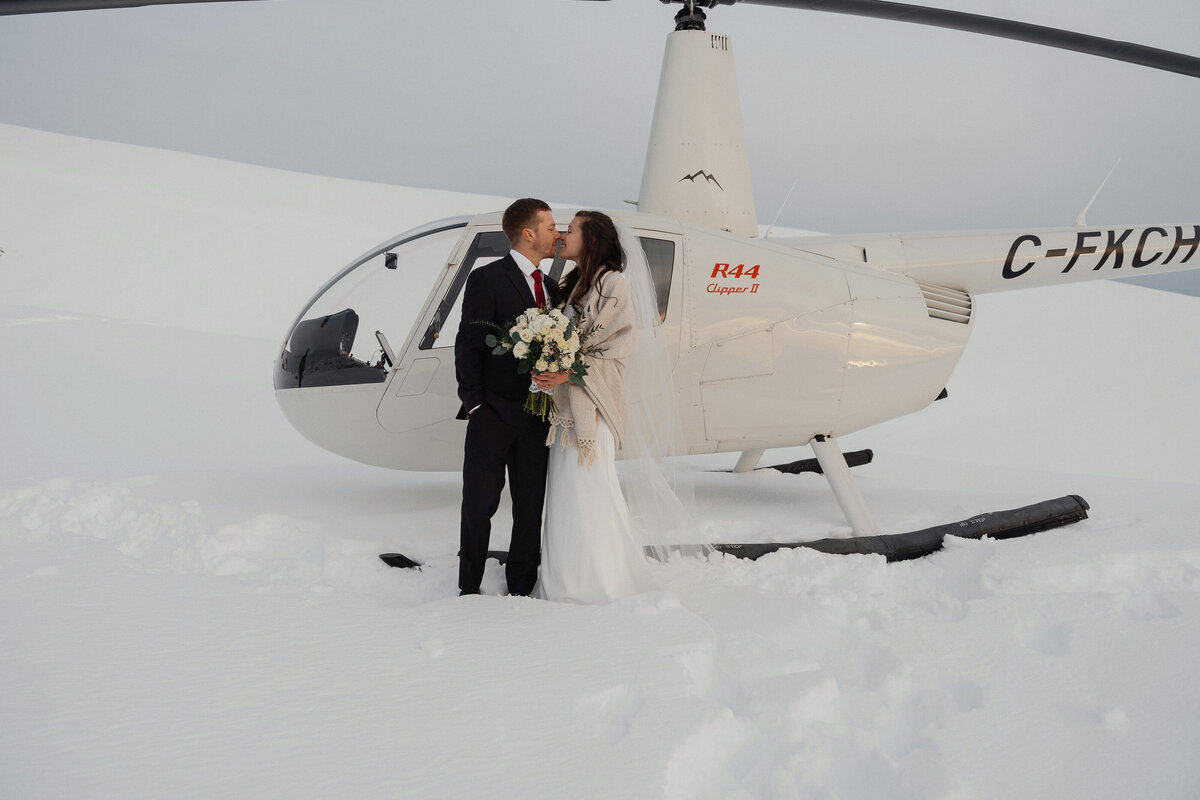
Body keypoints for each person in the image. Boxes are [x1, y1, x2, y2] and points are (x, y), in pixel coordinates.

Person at [532, 210, 662, 604]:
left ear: (591, 239)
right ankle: (565, 578)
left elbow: (617, 350)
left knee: (588, 492)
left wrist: (567, 372)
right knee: (567, 495)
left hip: (592, 410)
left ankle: (598, 583)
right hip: (566, 412)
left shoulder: (613, 285)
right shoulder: (576, 285)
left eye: (571, 230)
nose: (562, 236)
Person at [454, 198, 561, 596]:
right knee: (479, 504)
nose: (557, 234)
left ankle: (521, 586)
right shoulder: (487, 279)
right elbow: (469, 344)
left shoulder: (551, 288)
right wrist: (476, 404)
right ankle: (468, 587)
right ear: (528, 233)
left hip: (537, 417)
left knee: (530, 506)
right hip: (492, 413)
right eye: (550, 227)